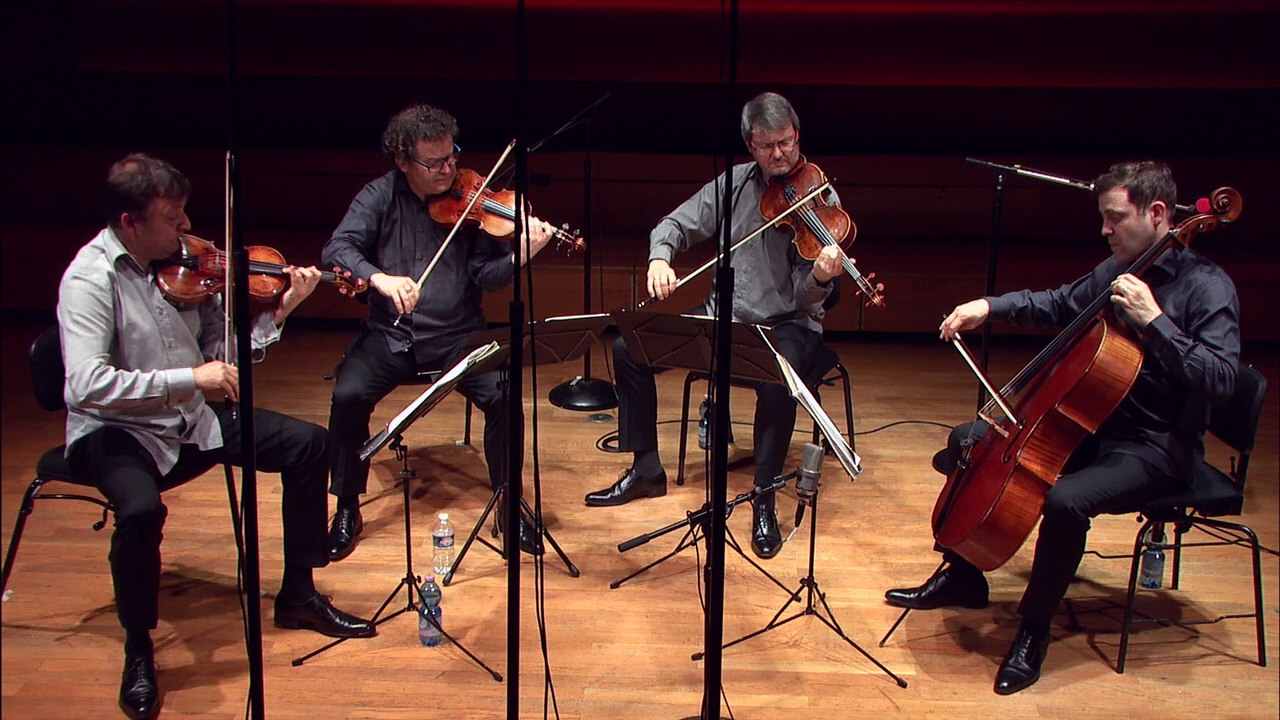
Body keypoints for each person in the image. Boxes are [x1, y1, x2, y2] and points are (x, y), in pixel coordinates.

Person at [884, 161, 1240, 695]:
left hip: (1158, 445)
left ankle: (1034, 629)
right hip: (1093, 427)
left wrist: (1156, 322)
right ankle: (963, 574)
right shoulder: (1117, 270)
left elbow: (1223, 379)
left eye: (1115, 217)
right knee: (969, 440)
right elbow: (1057, 302)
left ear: (1158, 213)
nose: (1105, 229)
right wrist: (989, 305)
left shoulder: (1208, 288)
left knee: (1067, 500)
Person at [59, 154, 375, 720]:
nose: (186, 229)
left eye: (185, 214)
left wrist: (280, 310)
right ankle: (138, 648)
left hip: (187, 421)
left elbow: (223, 359)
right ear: (129, 223)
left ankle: (298, 593)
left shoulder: (189, 268)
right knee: (139, 512)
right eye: (171, 218)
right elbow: (85, 386)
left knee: (310, 445)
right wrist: (191, 379)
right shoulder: (88, 280)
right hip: (117, 432)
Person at [583, 92, 847, 559]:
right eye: (768, 147)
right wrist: (660, 258)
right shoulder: (732, 184)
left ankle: (763, 498)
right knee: (630, 348)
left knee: (777, 381)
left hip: (790, 325)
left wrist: (823, 275)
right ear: (750, 145)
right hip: (722, 317)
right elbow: (674, 223)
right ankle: (646, 470)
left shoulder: (820, 196)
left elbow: (809, 294)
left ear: (797, 136)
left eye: (786, 143)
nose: (780, 155)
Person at [320, 102, 555, 561]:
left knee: (505, 396)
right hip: (393, 336)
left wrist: (521, 254)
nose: (449, 170)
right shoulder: (380, 196)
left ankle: (509, 505)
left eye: (452, 156)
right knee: (348, 396)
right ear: (403, 161)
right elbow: (339, 246)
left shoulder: (473, 198)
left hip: (459, 337)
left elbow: (488, 276)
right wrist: (381, 279)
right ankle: (347, 504)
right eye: (435, 163)